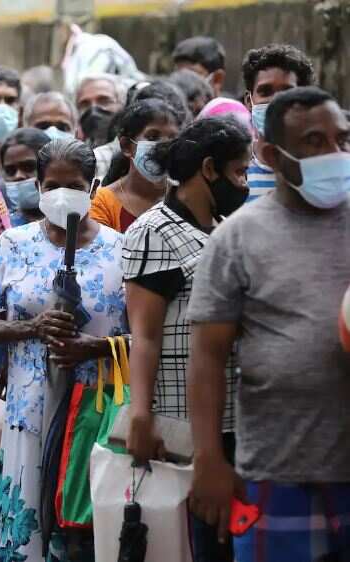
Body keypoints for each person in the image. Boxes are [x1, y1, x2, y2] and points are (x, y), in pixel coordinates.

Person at [187, 87, 350, 562]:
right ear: (272, 156)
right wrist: (210, 461)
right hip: (279, 472)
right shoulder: (237, 237)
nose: (335, 153)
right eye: (315, 142)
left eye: (342, 139)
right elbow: (208, 358)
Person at [0, 138, 128, 561]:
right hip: (28, 412)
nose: (61, 194)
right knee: (28, 522)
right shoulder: (13, 245)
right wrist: (31, 327)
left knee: (81, 528)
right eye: (51, 185)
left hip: (95, 413)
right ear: (37, 187)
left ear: (93, 188)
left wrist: (97, 348)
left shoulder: (121, 250)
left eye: (73, 185)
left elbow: (146, 336)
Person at [122, 116, 252, 562]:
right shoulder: (154, 231)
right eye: (240, 171)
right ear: (209, 170)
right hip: (182, 425)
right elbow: (144, 333)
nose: (246, 183)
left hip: (237, 418)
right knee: (204, 542)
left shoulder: (223, 226)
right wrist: (141, 414)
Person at [91, 99, 181, 232]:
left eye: (172, 138)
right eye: (153, 137)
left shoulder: (184, 199)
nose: (164, 146)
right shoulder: (102, 203)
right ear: (127, 146)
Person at [241, 44, 315, 202]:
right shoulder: (235, 171)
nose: (275, 101)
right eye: (265, 92)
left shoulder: (321, 170)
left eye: (287, 92)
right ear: (249, 101)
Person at [74, 73, 127, 179]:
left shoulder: (133, 155)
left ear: (123, 106)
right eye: (85, 104)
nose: (93, 110)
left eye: (104, 101)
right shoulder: (72, 158)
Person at [0, 127, 51, 226]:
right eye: (10, 171)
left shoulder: (73, 221)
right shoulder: (3, 228)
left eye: (29, 167)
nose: (18, 176)